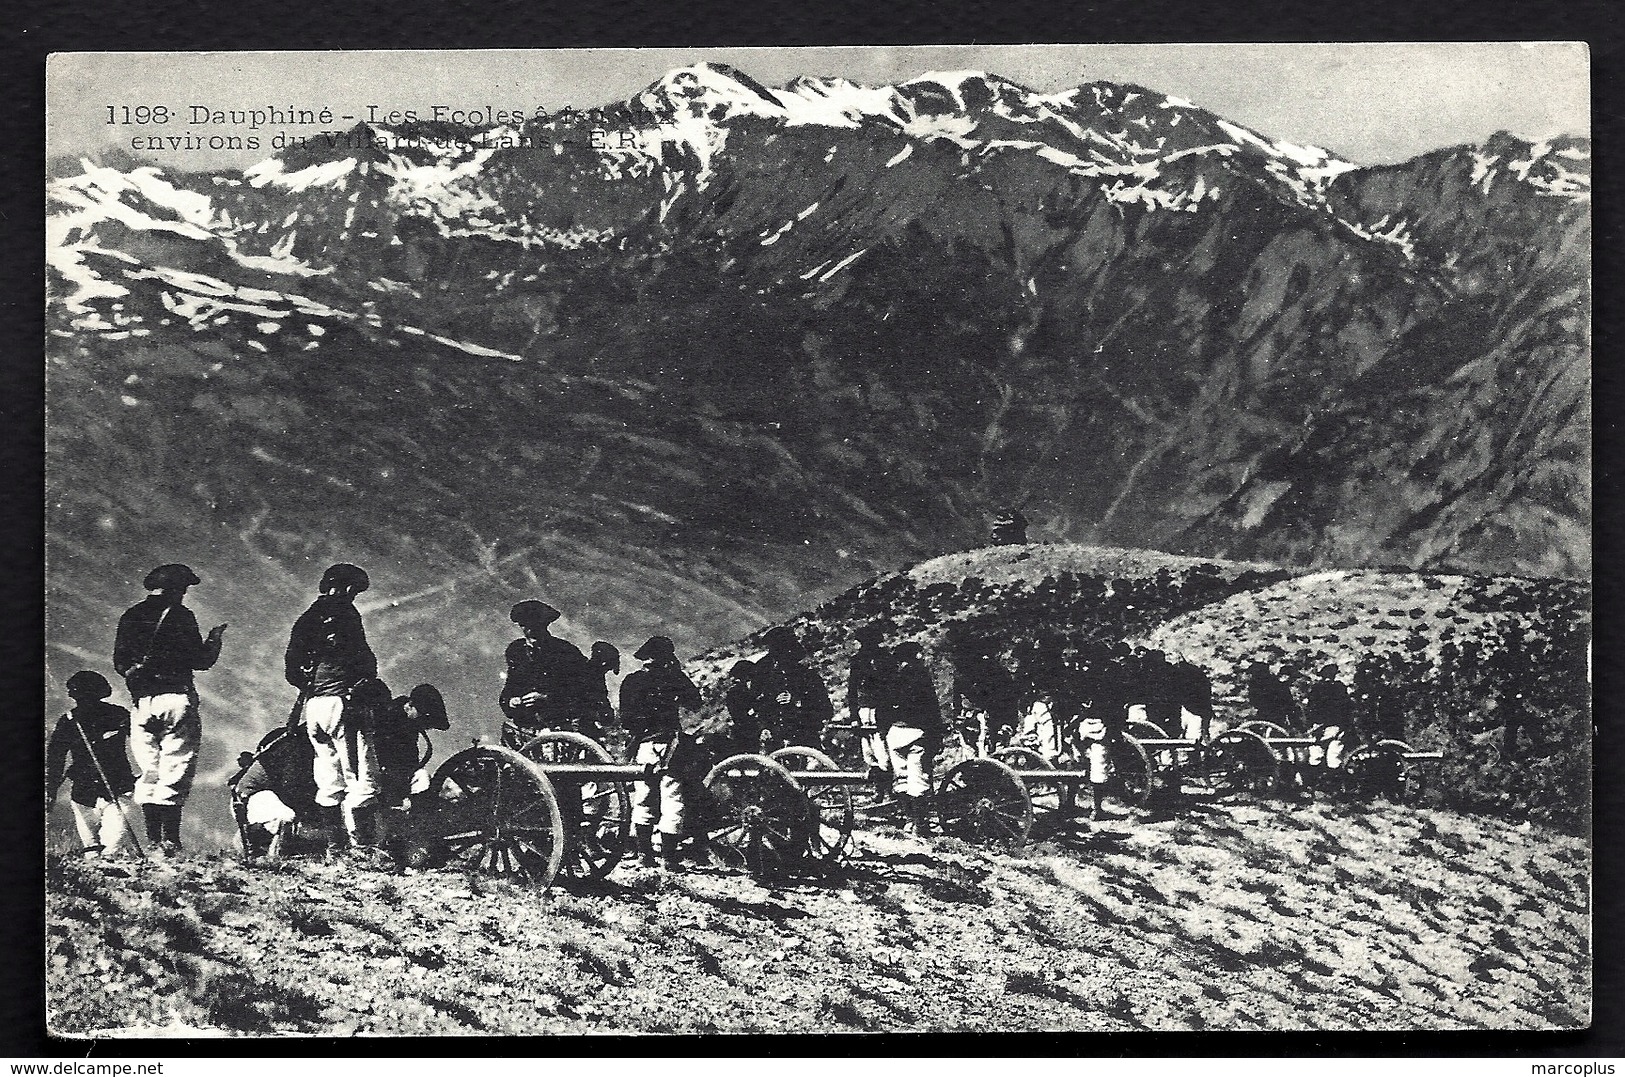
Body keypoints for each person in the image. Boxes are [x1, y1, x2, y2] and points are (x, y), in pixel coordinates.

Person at [113, 563, 227, 853]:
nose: (185, 594)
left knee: (149, 770)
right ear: (177, 588)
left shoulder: (130, 615)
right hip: (175, 698)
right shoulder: (180, 615)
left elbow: (120, 663)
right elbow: (200, 660)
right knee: (176, 766)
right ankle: (171, 841)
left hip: (141, 703)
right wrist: (214, 640)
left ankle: (153, 841)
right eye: (184, 589)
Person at [285, 563, 378, 851]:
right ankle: (362, 849)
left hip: (314, 706)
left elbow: (291, 670)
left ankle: (336, 848)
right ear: (348, 587)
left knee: (328, 779)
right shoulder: (346, 614)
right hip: (344, 703)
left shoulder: (306, 618)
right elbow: (364, 660)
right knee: (362, 778)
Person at [620, 635, 702, 870]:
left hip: (643, 744)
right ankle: (668, 857)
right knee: (672, 798)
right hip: (671, 744)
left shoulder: (632, 681)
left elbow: (625, 720)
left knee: (644, 797)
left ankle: (645, 855)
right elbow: (695, 703)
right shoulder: (674, 678)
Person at [47, 671, 138, 858]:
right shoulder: (116, 715)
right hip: (91, 794)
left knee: (108, 850)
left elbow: (55, 759)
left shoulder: (72, 720)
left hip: (109, 791)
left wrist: (50, 791)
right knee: (99, 851)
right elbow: (55, 757)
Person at [499, 600, 593, 749]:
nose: (530, 630)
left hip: (560, 730)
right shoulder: (516, 651)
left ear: (545, 624)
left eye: (535, 625)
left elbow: (584, 692)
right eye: (524, 626)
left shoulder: (565, 651)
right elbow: (509, 688)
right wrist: (511, 701)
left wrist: (547, 698)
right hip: (525, 731)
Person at [878, 642, 944, 835]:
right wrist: (937, 735)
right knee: (919, 780)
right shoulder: (921, 676)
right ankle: (920, 825)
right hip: (917, 733)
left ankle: (909, 821)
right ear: (914, 656)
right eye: (919, 653)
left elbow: (882, 709)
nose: (922, 657)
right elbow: (932, 708)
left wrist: (884, 732)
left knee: (901, 779)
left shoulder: (890, 678)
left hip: (895, 734)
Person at [231, 727, 318, 862]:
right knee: (286, 818)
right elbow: (292, 789)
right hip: (252, 797)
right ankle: (258, 844)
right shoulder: (291, 744)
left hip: (286, 802)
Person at [747, 627, 834, 750]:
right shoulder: (765, 679)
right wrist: (764, 727)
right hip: (776, 741)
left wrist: (796, 701)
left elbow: (825, 709)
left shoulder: (809, 677)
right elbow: (757, 706)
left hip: (805, 739)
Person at [947, 629, 1021, 755]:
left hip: (982, 718)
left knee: (977, 751)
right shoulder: (997, 673)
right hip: (984, 718)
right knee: (985, 751)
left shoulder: (966, 674)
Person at [846, 624, 895, 793]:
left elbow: (891, 687)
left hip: (881, 709)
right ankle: (879, 787)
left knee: (883, 750)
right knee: (868, 750)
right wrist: (854, 716)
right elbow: (852, 690)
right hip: (864, 710)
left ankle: (889, 788)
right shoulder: (857, 661)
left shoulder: (886, 660)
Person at [1303, 662, 1354, 779]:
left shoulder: (1316, 688)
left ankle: (1316, 781)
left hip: (1320, 726)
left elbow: (1310, 709)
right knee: (1333, 754)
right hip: (1334, 725)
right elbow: (1346, 708)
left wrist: (1312, 724)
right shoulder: (1339, 688)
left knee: (1316, 753)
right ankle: (1331, 782)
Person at [722, 657, 765, 756]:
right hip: (747, 733)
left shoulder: (757, 689)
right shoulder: (734, 694)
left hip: (754, 728)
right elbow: (740, 717)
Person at [1247, 662, 1301, 731]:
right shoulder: (1278, 686)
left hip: (1267, 717)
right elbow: (1289, 707)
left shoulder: (1257, 685)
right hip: (1275, 718)